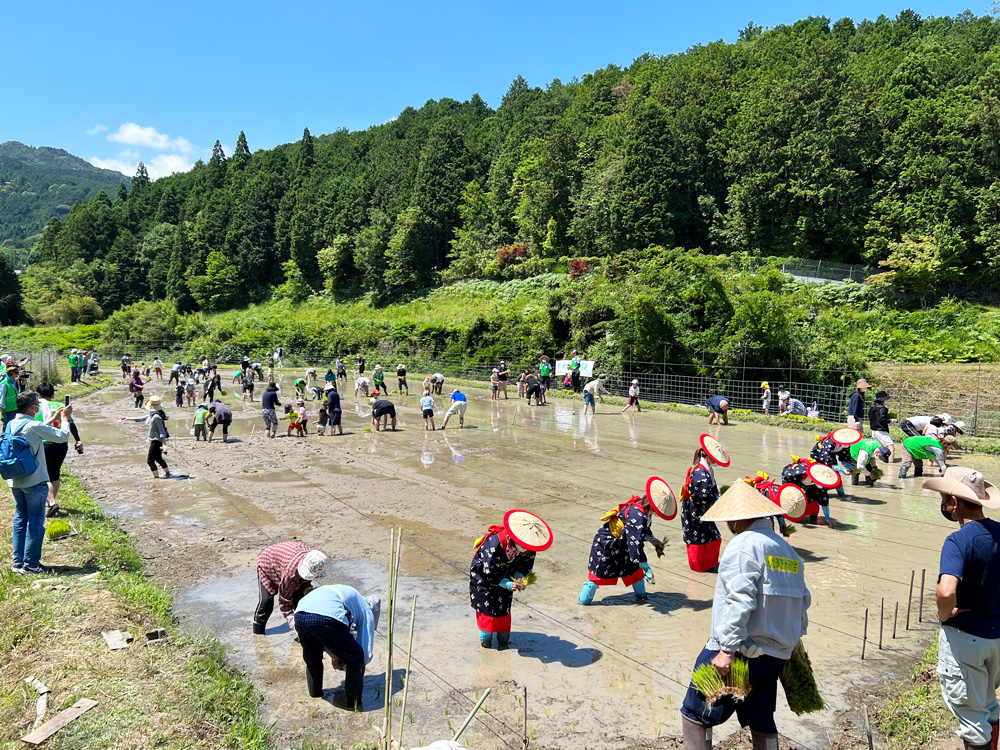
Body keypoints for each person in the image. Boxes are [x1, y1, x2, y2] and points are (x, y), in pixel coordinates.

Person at [679, 481, 810, 750]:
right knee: (760, 716)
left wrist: (726, 650)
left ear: (737, 518)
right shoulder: (788, 552)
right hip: (776, 655)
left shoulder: (743, 545)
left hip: (741, 650)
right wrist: (795, 642)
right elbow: (801, 601)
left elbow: (740, 600)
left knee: (695, 712)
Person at [925, 467, 1000, 750]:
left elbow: (946, 590)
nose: (943, 504)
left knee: (972, 719)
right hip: (996, 637)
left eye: (944, 499)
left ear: (954, 502)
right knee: (988, 702)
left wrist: (945, 613)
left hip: (965, 639)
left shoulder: (958, 540)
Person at [7, 391, 72, 574]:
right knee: (35, 522)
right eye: (37, 405)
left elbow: (33, 430)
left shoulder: (11, 423)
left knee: (20, 520)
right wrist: (65, 419)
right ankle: (31, 564)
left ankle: (18, 563)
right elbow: (62, 436)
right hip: (34, 481)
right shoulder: (34, 426)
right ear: (33, 408)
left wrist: (52, 419)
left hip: (16, 480)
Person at [470, 510, 552, 649]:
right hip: (484, 576)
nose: (529, 551)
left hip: (506, 572)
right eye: (526, 548)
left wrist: (520, 576)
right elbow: (489, 570)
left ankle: (503, 640)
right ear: (516, 541)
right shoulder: (495, 543)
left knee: (503, 606)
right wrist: (505, 583)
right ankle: (486, 640)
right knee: (486, 608)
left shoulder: (529, 549)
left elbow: (526, 564)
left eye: (530, 549)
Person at [580, 483, 670, 605]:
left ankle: (642, 598)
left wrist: (652, 540)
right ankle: (583, 602)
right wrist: (646, 566)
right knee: (598, 574)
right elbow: (635, 543)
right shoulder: (638, 515)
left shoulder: (643, 508)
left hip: (625, 543)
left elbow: (640, 531)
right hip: (608, 543)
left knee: (634, 571)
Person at [295, 584, 380, 709]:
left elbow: (327, 635)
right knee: (356, 656)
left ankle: (315, 693)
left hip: (300, 614)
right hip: (327, 617)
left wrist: (336, 656)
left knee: (312, 656)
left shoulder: (348, 597)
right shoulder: (365, 608)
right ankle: (354, 703)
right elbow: (365, 647)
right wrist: (355, 664)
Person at [253, 541, 327, 634]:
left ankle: (304, 626)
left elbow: (306, 581)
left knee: (300, 599)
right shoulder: (291, 574)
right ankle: (258, 631)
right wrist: (291, 620)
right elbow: (284, 599)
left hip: (284, 561)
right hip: (268, 563)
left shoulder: (315, 560)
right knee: (266, 601)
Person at [34, 383, 83, 518]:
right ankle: (52, 502)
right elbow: (70, 423)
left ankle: (52, 503)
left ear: (38, 394)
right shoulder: (60, 405)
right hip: (61, 444)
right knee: (55, 473)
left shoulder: (36, 406)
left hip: (44, 443)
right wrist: (78, 440)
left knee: (44, 475)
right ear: (53, 394)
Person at [682, 442, 724, 572]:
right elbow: (702, 497)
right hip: (696, 511)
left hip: (700, 510)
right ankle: (702, 568)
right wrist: (718, 503)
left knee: (711, 537)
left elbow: (711, 491)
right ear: (708, 456)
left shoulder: (706, 470)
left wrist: (718, 498)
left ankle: (707, 565)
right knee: (700, 539)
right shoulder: (700, 473)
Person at [119, 395, 172, 479]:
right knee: (158, 458)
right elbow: (142, 418)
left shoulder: (156, 417)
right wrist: (127, 418)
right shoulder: (153, 414)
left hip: (156, 441)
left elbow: (162, 431)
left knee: (150, 461)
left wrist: (164, 444)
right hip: (156, 441)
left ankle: (156, 479)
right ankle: (168, 473)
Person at [869, 390, 895, 462]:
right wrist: (890, 420)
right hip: (881, 431)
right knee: (891, 447)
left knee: (878, 449)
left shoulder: (872, 408)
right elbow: (882, 420)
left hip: (874, 431)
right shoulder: (882, 408)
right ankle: (890, 464)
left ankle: (875, 463)